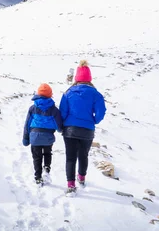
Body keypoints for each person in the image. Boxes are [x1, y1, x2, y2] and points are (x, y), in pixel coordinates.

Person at [59, 60, 107, 194]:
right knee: (83, 155)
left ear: (77, 78)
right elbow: (101, 112)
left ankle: (70, 184)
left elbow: (62, 112)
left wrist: (63, 125)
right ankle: (81, 177)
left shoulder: (68, 93)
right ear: (89, 78)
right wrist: (94, 121)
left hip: (69, 129)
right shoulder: (95, 94)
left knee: (70, 157)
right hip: (87, 129)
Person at [23, 83, 64, 185]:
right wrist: (60, 130)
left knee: (37, 157)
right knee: (47, 152)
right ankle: (47, 166)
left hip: (34, 137)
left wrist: (25, 139)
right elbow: (58, 124)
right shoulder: (54, 110)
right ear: (50, 95)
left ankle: (38, 177)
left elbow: (27, 124)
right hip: (48, 137)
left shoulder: (32, 108)